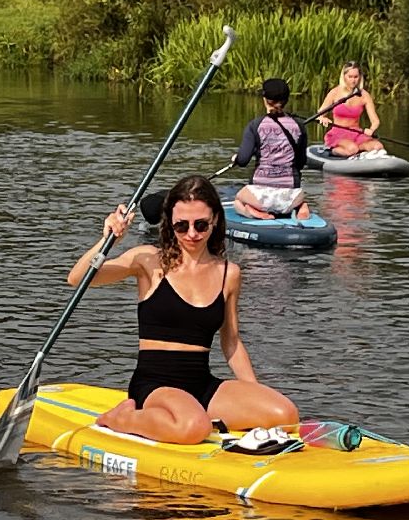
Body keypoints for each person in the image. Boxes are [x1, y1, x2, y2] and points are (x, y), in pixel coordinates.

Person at [68, 174, 299, 444]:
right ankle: (121, 417)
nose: (192, 234)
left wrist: (253, 394)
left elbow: (232, 342)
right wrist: (108, 241)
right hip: (155, 384)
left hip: (201, 384)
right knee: (194, 427)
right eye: (182, 225)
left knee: (285, 415)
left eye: (201, 225)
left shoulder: (230, 273)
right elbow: (78, 279)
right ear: (170, 224)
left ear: (214, 221)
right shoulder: (148, 260)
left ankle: (191, 417)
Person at [232, 77, 310, 221]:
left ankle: (255, 212)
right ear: (287, 100)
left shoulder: (255, 125)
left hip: (260, 196)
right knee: (299, 200)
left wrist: (236, 158)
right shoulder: (299, 126)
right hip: (290, 195)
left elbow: (243, 160)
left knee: (237, 201)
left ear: (265, 99)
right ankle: (301, 207)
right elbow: (301, 162)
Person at [318, 60, 386, 159]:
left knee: (378, 146)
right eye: (350, 77)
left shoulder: (364, 95)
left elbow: (375, 121)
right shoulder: (335, 92)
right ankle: (331, 151)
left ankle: (360, 153)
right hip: (338, 134)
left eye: (356, 77)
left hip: (356, 133)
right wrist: (323, 118)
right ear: (344, 76)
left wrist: (371, 130)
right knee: (352, 149)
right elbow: (320, 113)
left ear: (360, 77)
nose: (353, 80)